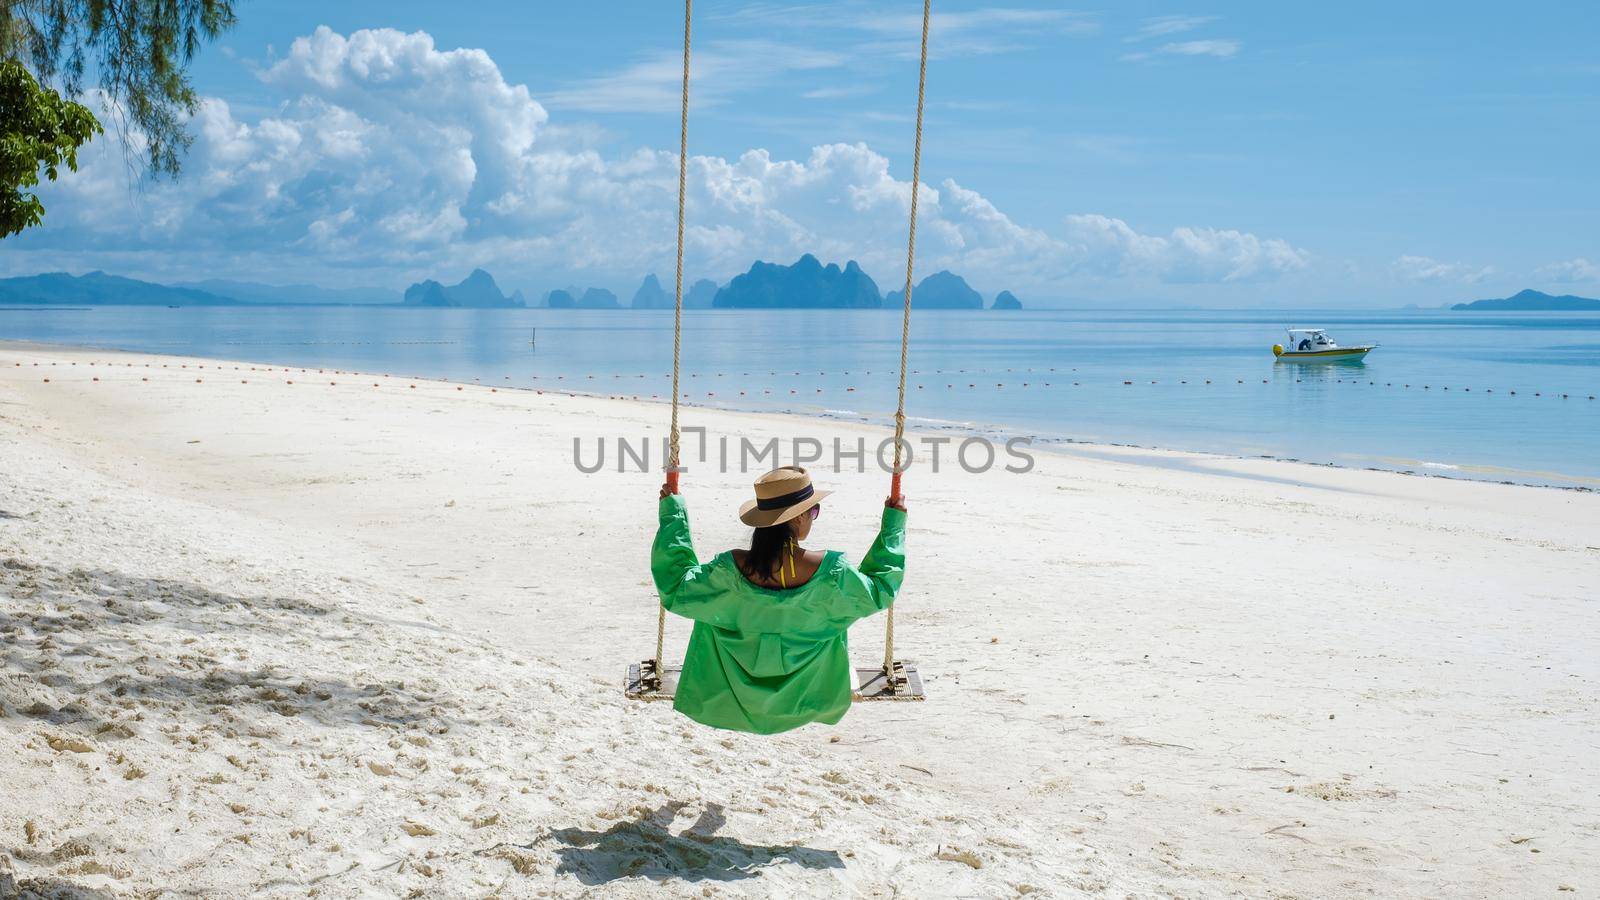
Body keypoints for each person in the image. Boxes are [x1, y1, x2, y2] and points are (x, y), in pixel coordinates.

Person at [652, 465, 907, 734]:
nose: (813, 517)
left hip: (729, 699)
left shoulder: (727, 574)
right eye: (813, 511)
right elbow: (881, 588)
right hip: (807, 699)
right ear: (797, 518)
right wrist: (893, 524)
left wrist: (673, 514)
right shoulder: (833, 576)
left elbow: (675, 585)